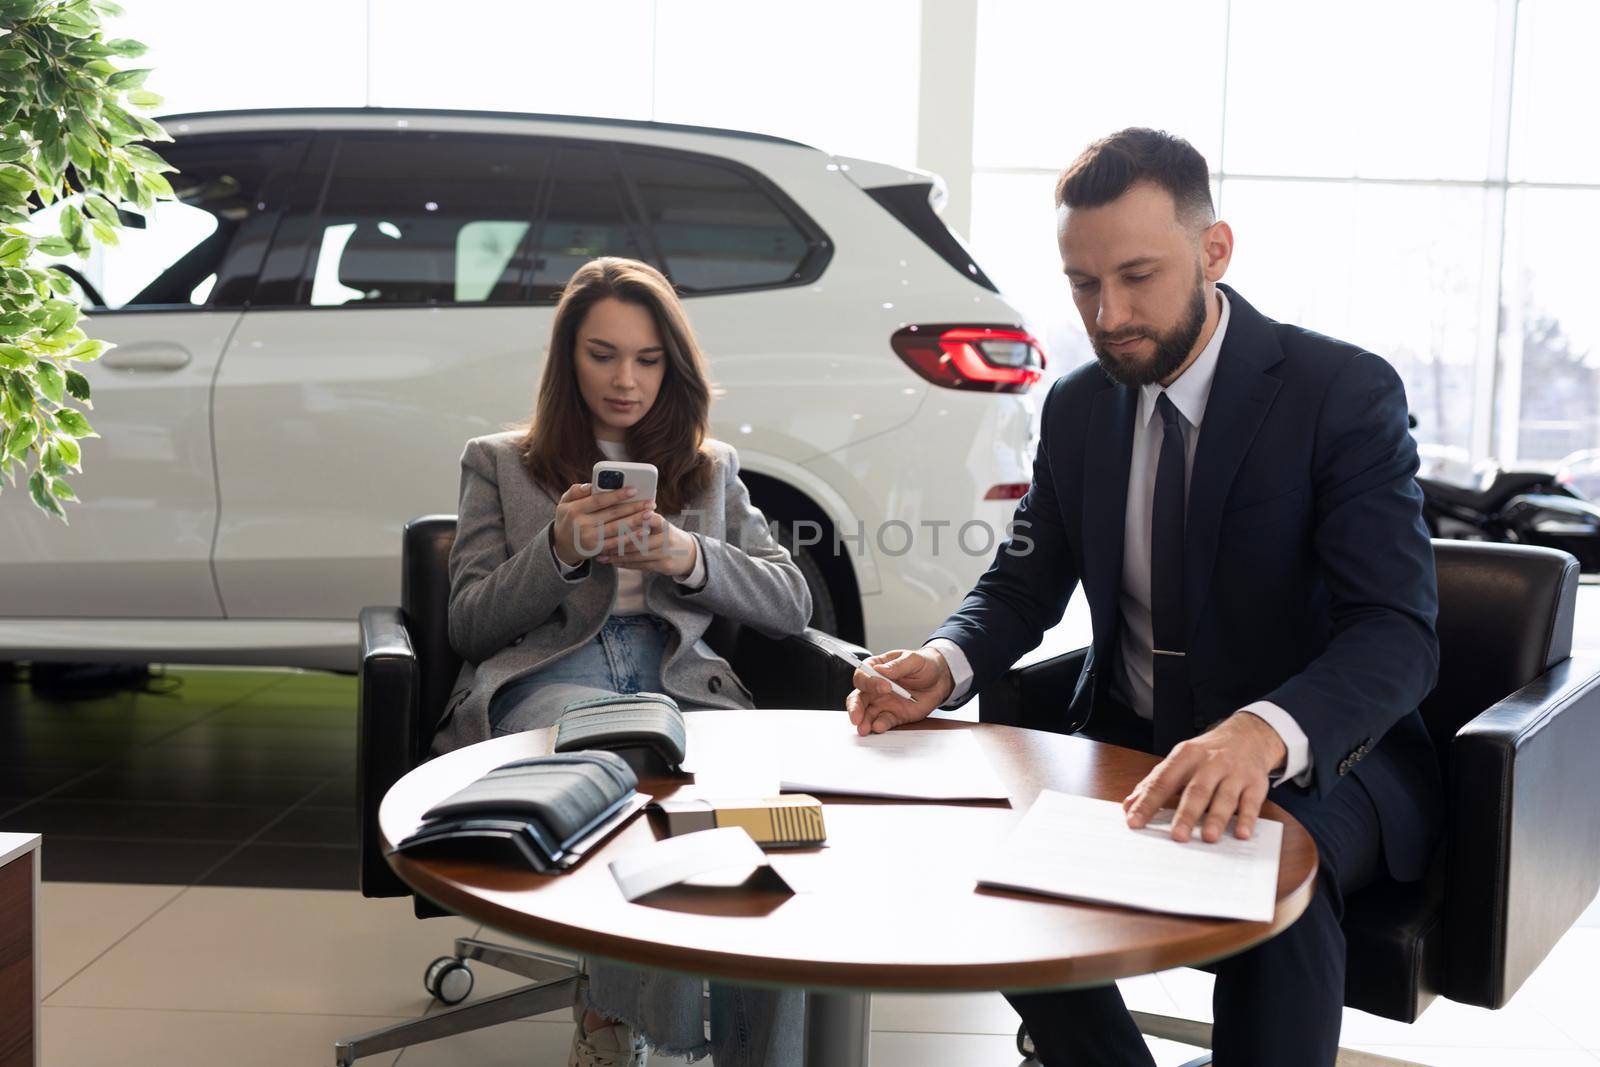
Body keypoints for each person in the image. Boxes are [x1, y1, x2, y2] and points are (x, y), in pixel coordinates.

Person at [846, 128, 1442, 1067]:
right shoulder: (1081, 405)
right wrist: (945, 659)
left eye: (1136, 275)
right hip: (1125, 741)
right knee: (978, 863)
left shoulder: (1340, 393)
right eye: (1083, 283)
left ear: (1215, 251)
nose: (1108, 312)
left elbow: (1398, 633)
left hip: (1325, 757)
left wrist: (1258, 732)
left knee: (1270, 875)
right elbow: (1024, 579)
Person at [435, 256, 812, 1067]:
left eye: (647, 359)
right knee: (628, 796)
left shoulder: (712, 468)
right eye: (603, 354)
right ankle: (661, 1044)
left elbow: (792, 603)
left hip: (680, 683)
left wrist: (687, 554)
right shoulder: (498, 461)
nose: (626, 380)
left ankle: (749, 1056)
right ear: (568, 358)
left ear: (672, 366)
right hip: (548, 677)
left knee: (757, 833)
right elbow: (468, 625)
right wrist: (559, 548)